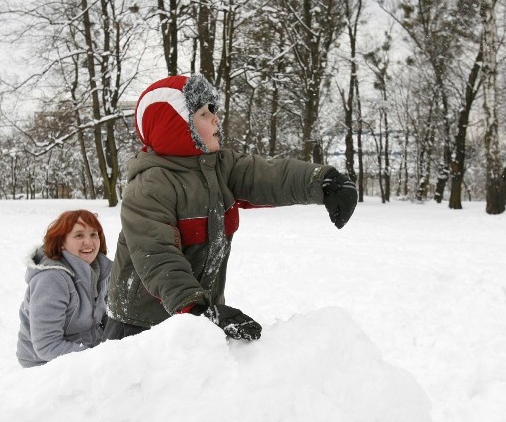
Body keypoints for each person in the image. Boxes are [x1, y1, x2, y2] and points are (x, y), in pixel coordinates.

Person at [104, 74, 357, 342]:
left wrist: (324, 182)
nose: (215, 118)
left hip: (199, 313)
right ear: (174, 126)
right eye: (203, 113)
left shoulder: (219, 166)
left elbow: (267, 175)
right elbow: (156, 256)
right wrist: (198, 309)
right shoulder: (150, 186)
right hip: (140, 325)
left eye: (213, 110)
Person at [17, 210, 113, 367]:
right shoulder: (52, 279)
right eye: (79, 235)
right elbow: (47, 346)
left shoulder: (99, 271)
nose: (89, 242)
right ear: (61, 241)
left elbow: (106, 319)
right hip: (47, 366)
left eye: (93, 234)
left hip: (88, 353)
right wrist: (96, 359)